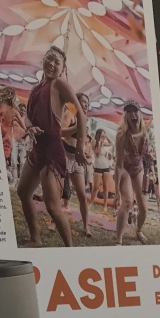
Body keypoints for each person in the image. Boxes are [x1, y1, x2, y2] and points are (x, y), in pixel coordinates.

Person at [17, 46, 86, 247]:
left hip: (52, 151)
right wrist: (30, 127)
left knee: (53, 206)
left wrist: (80, 146)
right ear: (43, 60)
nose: (52, 63)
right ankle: (35, 238)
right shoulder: (35, 89)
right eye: (49, 58)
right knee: (23, 192)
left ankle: (70, 250)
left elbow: (79, 114)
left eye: (57, 61)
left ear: (62, 69)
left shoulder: (60, 85)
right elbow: (27, 117)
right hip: (37, 148)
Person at [114, 102, 149, 244]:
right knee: (127, 202)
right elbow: (118, 164)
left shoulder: (145, 131)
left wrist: (149, 156)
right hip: (125, 169)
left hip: (139, 168)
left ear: (140, 113)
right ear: (126, 116)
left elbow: (144, 153)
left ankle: (138, 230)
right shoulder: (122, 135)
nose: (133, 114)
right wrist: (116, 191)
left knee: (144, 208)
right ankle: (118, 240)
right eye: (129, 112)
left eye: (135, 111)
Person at [61, 91, 93, 238]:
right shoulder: (70, 113)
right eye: (83, 101)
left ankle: (86, 226)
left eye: (87, 103)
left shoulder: (85, 119)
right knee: (58, 191)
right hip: (63, 154)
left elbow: (82, 140)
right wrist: (77, 127)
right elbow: (60, 132)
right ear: (76, 102)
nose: (85, 105)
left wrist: (85, 150)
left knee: (82, 194)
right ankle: (57, 221)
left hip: (76, 158)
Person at [90, 128, 115, 212]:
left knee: (105, 187)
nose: (103, 136)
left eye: (104, 134)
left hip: (106, 166)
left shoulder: (104, 142)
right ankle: (91, 202)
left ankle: (105, 205)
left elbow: (111, 143)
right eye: (102, 134)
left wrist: (106, 137)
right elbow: (97, 153)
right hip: (98, 167)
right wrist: (100, 144)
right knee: (96, 187)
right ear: (98, 134)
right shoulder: (94, 142)